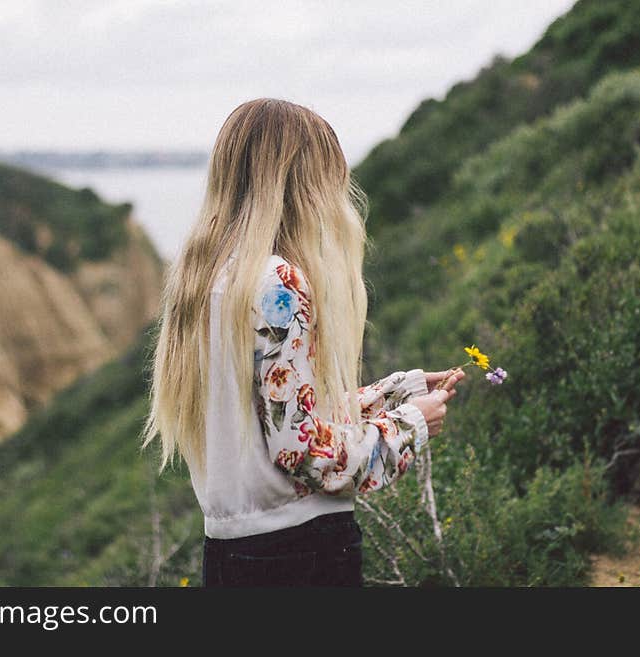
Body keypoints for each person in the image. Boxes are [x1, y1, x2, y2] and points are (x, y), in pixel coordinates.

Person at [143, 98, 465, 587]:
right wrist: (410, 425)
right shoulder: (278, 284)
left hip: (230, 555)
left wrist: (399, 391)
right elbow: (305, 454)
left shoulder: (208, 279)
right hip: (300, 551)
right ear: (301, 183)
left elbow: (276, 415)